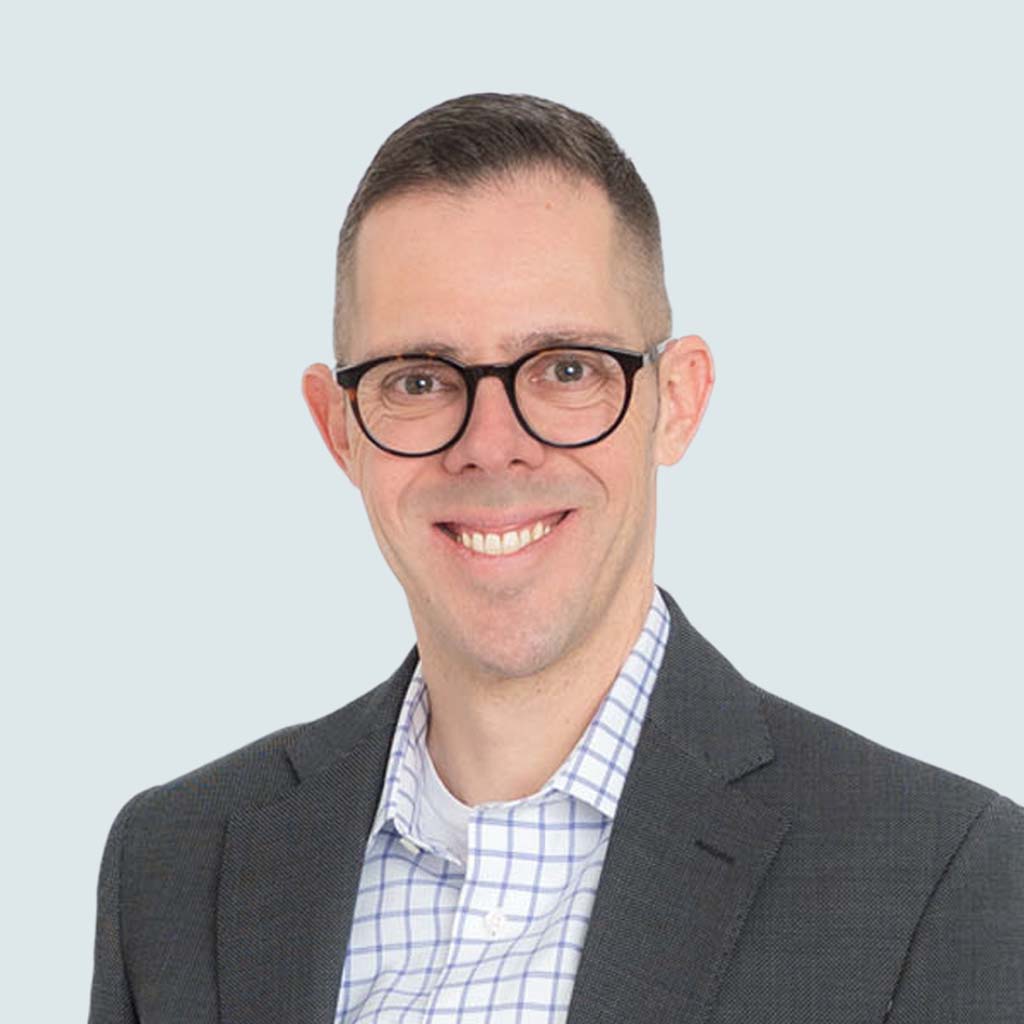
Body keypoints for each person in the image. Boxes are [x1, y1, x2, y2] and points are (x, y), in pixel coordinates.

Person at [88, 93, 1023, 1024]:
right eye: (419, 380)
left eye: (566, 369)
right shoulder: (175, 869)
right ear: (340, 431)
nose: (491, 446)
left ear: (677, 400)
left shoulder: (936, 881)